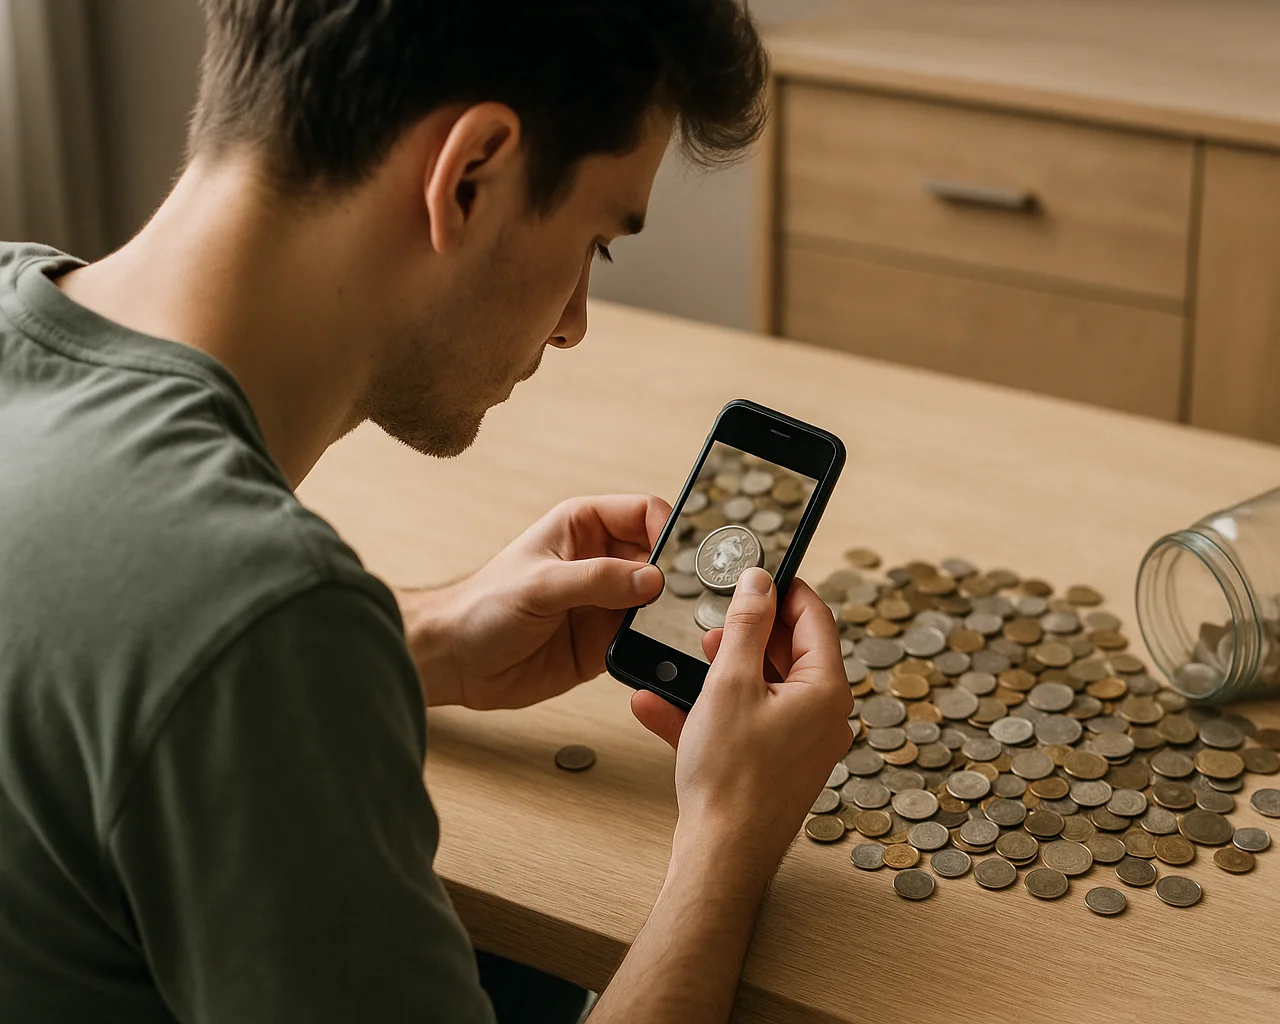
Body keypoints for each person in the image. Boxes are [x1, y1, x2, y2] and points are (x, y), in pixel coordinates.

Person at [0, 2, 853, 1022]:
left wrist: (417, 640)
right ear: (470, 175)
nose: (577, 320)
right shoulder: (255, 620)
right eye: (596, 242)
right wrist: (728, 837)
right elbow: (212, 634)